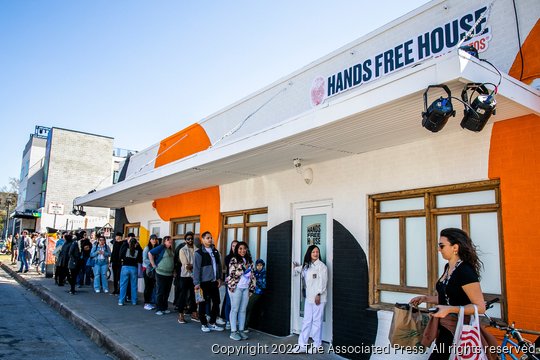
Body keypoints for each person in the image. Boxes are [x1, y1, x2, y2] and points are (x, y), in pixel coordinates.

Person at [410, 228, 488, 360]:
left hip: (457, 330)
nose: (438, 249)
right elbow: (448, 298)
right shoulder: (448, 268)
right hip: (444, 328)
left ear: (455, 247)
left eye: (442, 246)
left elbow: (480, 307)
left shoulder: (465, 271)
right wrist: (425, 298)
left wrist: (449, 309)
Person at [292, 245, 328, 353]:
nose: (316, 254)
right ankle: (302, 345)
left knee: (317, 322)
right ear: (309, 253)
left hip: (319, 298)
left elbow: (323, 282)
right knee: (307, 321)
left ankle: (317, 345)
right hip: (309, 298)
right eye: (313, 252)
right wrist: (295, 267)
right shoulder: (307, 266)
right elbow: (299, 269)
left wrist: (319, 294)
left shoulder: (322, 266)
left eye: (317, 252)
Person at [193, 231, 224, 333]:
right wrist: (196, 283)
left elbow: (218, 266)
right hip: (203, 282)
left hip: (214, 282)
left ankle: (212, 323)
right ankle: (203, 324)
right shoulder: (198, 253)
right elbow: (196, 269)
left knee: (216, 302)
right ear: (202, 239)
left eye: (211, 237)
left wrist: (219, 278)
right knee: (202, 303)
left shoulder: (215, 251)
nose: (210, 239)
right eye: (207, 238)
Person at [227, 241, 256, 341]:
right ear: (237, 250)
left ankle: (241, 330)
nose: (242, 250)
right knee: (235, 309)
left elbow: (252, 275)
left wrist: (252, 287)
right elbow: (232, 274)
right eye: (240, 249)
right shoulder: (234, 260)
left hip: (246, 288)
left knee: (243, 310)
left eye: (244, 248)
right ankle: (233, 331)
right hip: (236, 287)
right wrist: (244, 269)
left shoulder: (250, 260)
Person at [148, 235, 175, 315]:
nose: (170, 241)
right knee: (160, 291)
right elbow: (150, 253)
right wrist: (153, 264)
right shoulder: (161, 247)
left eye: (170, 240)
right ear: (164, 241)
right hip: (160, 273)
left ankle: (164, 307)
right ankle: (159, 309)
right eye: (168, 240)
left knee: (167, 291)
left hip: (169, 274)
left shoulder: (170, 250)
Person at [177, 232, 199, 324]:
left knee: (194, 295)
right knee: (183, 295)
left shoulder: (197, 250)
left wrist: (193, 266)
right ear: (185, 240)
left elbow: (198, 264)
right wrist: (194, 266)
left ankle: (194, 313)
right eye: (188, 239)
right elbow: (186, 265)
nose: (190, 240)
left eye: (191, 238)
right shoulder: (182, 250)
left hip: (195, 277)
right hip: (185, 276)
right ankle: (181, 315)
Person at [118, 236, 142, 306]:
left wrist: (126, 242)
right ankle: (134, 301)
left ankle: (121, 301)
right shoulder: (137, 250)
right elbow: (140, 259)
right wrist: (138, 245)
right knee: (134, 285)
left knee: (123, 285)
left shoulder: (125, 248)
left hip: (125, 267)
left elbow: (120, 256)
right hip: (134, 268)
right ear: (136, 244)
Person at [221, 240, 238, 330]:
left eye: (236, 246)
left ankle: (235, 320)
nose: (234, 247)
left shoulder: (242, 257)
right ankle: (228, 320)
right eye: (233, 246)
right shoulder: (228, 258)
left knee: (236, 303)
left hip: (239, 283)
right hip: (230, 282)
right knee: (229, 302)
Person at [246, 258, 266, 329]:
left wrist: (256, 281)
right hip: (250, 291)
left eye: (261, 265)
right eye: (257, 265)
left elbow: (263, 285)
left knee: (248, 307)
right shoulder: (254, 272)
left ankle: (245, 325)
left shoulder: (263, 274)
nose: (259, 267)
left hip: (257, 292)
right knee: (248, 308)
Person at [142, 234, 159, 310]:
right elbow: (144, 259)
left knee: (152, 286)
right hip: (147, 269)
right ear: (150, 240)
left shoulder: (157, 248)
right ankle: (146, 303)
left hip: (154, 270)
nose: (154, 240)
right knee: (147, 286)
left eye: (155, 239)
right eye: (152, 239)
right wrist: (153, 263)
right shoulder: (147, 248)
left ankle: (150, 302)